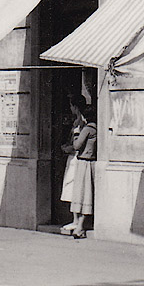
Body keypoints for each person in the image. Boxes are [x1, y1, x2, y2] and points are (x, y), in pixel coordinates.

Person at [60, 100, 96, 239]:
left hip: (83, 163)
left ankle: (79, 226)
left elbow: (76, 145)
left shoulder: (87, 129)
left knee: (80, 193)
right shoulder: (95, 129)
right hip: (89, 162)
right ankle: (79, 226)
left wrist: (76, 133)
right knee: (84, 194)